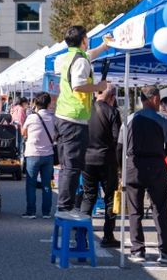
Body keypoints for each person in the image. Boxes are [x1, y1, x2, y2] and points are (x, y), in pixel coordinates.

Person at [117, 85, 167, 264]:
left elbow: (119, 148)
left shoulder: (128, 119)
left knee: (135, 211)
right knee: (160, 209)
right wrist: (158, 154)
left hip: (133, 165)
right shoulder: (163, 119)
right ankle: (165, 252)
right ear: (155, 98)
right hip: (156, 166)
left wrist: (122, 168)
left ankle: (137, 250)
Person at [54, 26, 109, 212]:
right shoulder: (81, 61)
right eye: (87, 38)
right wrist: (98, 87)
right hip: (74, 119)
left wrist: (104, 47)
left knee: (67, 166)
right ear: (84, 39)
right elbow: (78, 85)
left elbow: (88, 56)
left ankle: (64, 206)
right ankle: (65, 207)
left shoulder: (68, 57)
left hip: (63, 116)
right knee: (72, 167)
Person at [80, 84, 121, 248]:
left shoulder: (85, 111)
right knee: (110, 198)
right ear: (112, 97)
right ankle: (108, 235)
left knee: (88, 196)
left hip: (86, 159)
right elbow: (118, 139)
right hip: (107, 160)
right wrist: (119, 163)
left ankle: (82, 236)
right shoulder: (113, 112)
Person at [21, 92, 56, 219]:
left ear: (36, 103)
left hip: (33, 154)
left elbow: (23, 132)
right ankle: (46, 212)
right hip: (49, 155)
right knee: (47, 185)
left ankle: (31, 212)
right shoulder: (53, 118)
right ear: (49, 103)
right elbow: (55, 135)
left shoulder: (31, 117)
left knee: (31, 184)